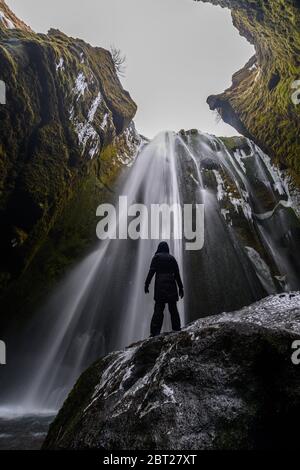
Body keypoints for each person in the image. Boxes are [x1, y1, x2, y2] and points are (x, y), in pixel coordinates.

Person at [144, 241, 184, 337]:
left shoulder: (156, 257)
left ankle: (154, 332)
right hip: (171, 285)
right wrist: (181, 288)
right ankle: (177, 328)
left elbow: (151, 271)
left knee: (158, 309)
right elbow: (177, 274)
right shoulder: (172, 258)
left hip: (160, 285)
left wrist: (146, 284)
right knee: (173, 308)